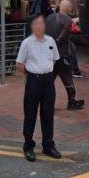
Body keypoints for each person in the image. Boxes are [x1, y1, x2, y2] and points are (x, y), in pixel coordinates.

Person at [15, 15, 61, 161]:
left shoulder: (51, 41)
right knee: (30, 114)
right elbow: (19, 64)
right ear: (32, 26)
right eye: (36, 23)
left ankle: (48, 145)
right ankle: (28, 146)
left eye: (41, 23)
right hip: (33, 81)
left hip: (48, 81)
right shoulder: (27, 43)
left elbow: (55, 59)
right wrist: (31, 73)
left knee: (48, 113)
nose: (39, 26)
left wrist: (45, 70)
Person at [45, 0, 84, 110]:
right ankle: (71, 101)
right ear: (69, 9)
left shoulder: (49, 18)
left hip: (49, 54)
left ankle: (47, 103)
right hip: (62, 54)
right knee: (67, 79)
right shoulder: (66, 20)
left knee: (50, 79)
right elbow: (62, 37)